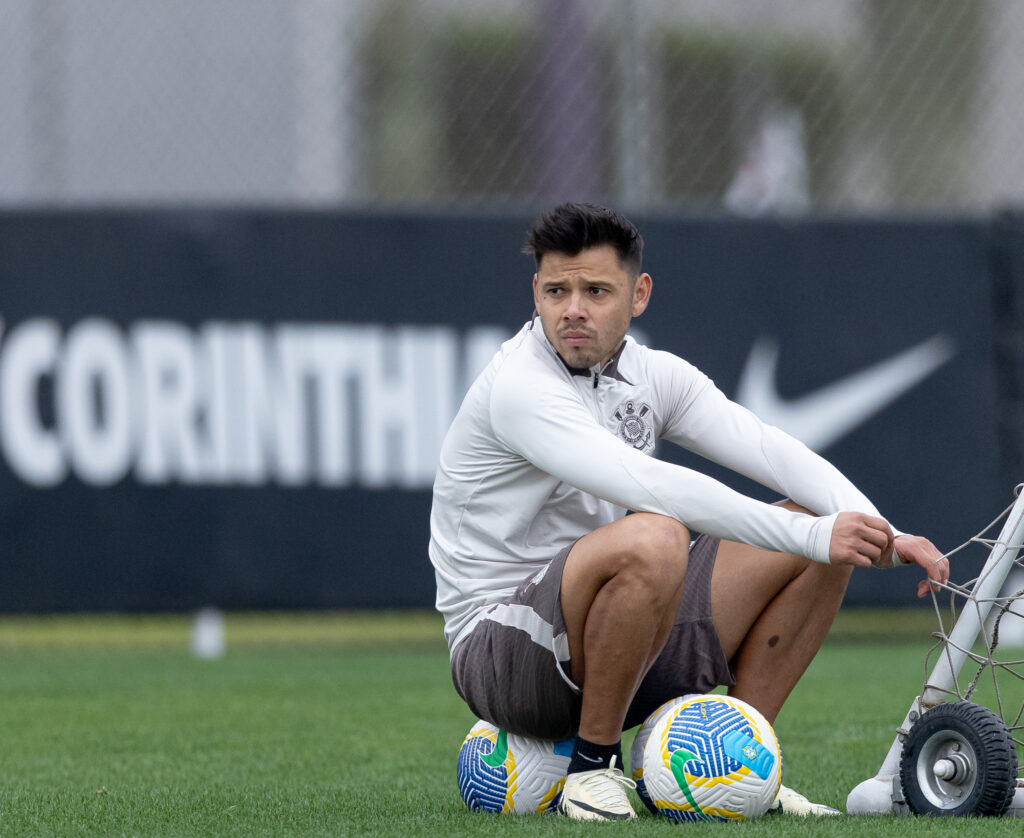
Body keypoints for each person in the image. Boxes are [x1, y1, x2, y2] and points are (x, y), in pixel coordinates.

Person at [429, 202, 948, 821]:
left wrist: (881, 531)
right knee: (657, 536)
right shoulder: (520, 386)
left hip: (617, 637)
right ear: (535, 293)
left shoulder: (650, 375)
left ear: (639, 294)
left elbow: (766, 447)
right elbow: (653, 486)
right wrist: (814, 533)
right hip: (504, 658)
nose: (572, 309)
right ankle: (593, 771)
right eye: (556, 290)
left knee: (819, 531)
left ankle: (747, 765)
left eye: (596, 291)